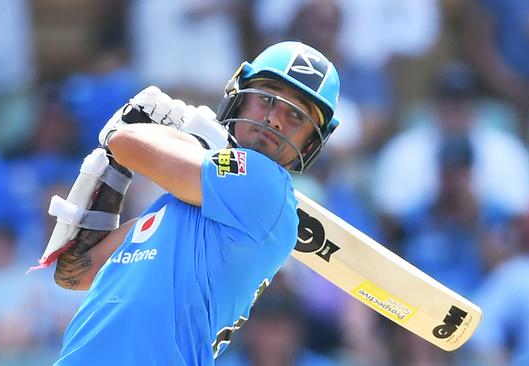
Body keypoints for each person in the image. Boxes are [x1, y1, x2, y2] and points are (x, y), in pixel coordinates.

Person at [44, 41, 340, 365]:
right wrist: (114, 168)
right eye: (267, 99)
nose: (276, 120)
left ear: (311, 142)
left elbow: (124, 142)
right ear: (239, 99)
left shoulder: (265, 183)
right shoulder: (172, 207)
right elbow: (75, 273)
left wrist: (181, 132)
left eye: (295, 115)